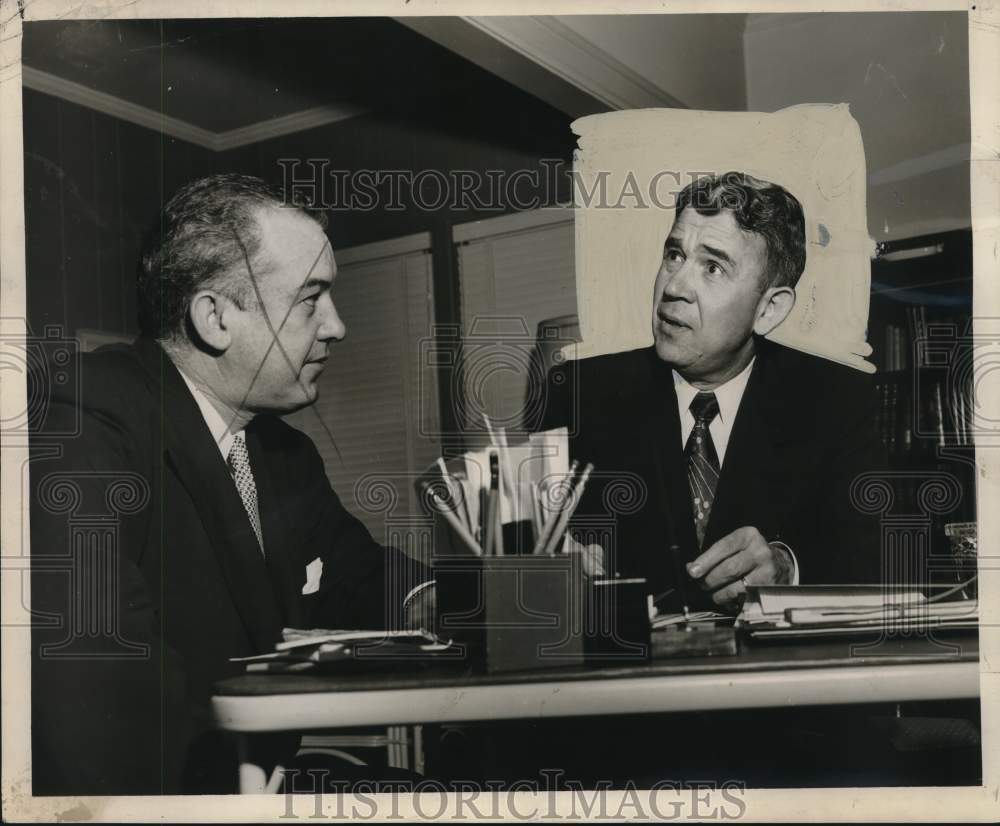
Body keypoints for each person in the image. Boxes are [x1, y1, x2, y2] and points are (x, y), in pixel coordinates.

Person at [29, 174, 430, 795]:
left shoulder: (284, 453)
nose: (337, 326)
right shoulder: (82, 413)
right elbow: (97, 673)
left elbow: (369, 581)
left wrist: (490, 601)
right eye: (310, 299)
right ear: (214, 317)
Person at [548, 171, 886, 610]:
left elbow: (877, 561)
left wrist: (787, 569)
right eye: (674, 254)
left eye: (713, 266)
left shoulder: (837, 401)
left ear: (769, 309)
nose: (674, 287)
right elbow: (527, 551)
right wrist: (555, 567)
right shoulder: (576, 394)